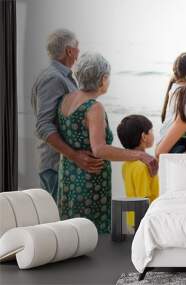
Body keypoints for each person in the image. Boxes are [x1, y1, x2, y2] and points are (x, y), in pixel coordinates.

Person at [57, 52, 157, 234]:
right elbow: (100, 149)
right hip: (89, 183)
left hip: (68, 176)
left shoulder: (66, 100)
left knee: (71, 231)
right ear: (102, 79)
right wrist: (140, 154)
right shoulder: (94, 107)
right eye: (108, 77)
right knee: (91, 233)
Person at [31, 29, 103, 201]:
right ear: (69, 51)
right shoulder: (53, 79)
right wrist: (74, 155)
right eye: (77, 47)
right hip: (55, 165)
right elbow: (43, 126)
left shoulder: (61, 77)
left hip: (59, 165)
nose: (79, 51)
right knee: (58, 221)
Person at [117, 114, 159, 230]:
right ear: (144, 136)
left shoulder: (126, 164)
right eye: (151, 131)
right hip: (143, 221)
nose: (153, 134)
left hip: (130, 220)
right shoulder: (142, 167)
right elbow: (143, 199)